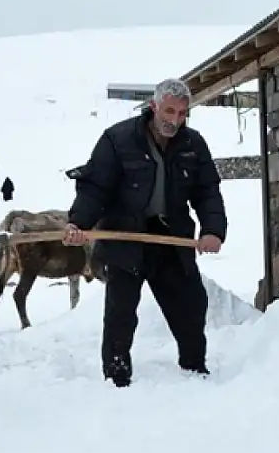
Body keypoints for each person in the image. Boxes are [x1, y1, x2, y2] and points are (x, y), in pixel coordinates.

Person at [62, 78, 227, 388]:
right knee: (120, 313)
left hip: (170, 238)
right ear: (153, 107)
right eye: (169, 111)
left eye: (182, 113)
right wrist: (79, 223)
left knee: (191, 304)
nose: (175, 120)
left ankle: (194, 369)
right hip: (126, 237)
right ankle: (116, 377)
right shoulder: (118, 140)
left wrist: (213, 231)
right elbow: (95, 187)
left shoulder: (193, 145)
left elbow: (207, 192)